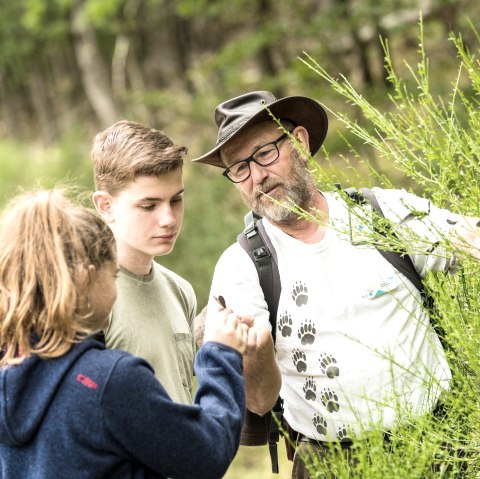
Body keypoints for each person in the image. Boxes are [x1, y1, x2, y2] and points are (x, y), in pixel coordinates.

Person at [191, 91, 480, 478]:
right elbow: (259, 402)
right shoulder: (241, 266)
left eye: (263, 154)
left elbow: (466, 238)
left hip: (438, 445)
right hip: (332, 463)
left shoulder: (384, 215)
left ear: (300, 143)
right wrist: (256, 352)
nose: (256, 176)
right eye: (239, 168)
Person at [0, 189, 250, 479]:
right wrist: (220, 353)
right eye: (113, 276)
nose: (116, 290)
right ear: (86, 277)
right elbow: (207, 455)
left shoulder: (8, 368)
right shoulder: (110, 380)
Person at [91, 120, 196, 404]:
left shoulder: (181, 291)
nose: (169, 219)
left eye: (176, 200)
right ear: (106, 206)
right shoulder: (85, 297)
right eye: (149, 205)